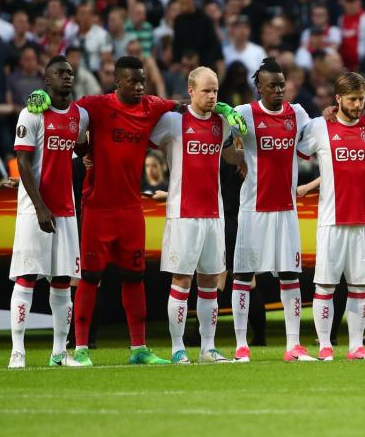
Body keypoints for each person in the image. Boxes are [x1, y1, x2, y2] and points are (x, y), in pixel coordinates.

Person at [25, 55, 247, 366]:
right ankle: (81, 348)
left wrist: (225, 112)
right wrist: (44, 97)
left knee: (134, 277)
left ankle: (139, 348)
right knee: (89, 277)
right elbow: (69, 110)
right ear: (118, 81)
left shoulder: (153, 107)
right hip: (99, 205)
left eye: (143, 80)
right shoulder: (98, 105)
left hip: (132, 208)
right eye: (134, 81)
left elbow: (180, 104)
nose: (140, 86)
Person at [150, 67, 243, 364]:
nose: (213, 96)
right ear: (191, 91)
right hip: (183, 213)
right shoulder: (174, 122)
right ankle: (178, 348)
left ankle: (208, 348)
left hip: (213, 215)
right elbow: (143, 136)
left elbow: (233, 152)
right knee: (181, 280)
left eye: (215, 90)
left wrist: (243, 150)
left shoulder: (222, 122)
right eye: (206, 90)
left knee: (209, 283)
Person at [296, 72, 365, 361]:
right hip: (332, 220)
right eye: (352, 99)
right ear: (337, 99)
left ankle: (356, 346)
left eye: (361, 99)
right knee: (326, 284)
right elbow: (295, 148)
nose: (358, 105)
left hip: (364, 220)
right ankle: (325, 345)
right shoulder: (319, 127)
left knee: (360, 286)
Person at [8, 57, 89, 368]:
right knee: (26, 277)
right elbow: (23, 163)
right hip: (34, 210)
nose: (66, 77)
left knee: (62, 281)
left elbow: (80, 146)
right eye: (59, 73)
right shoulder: (31, 113)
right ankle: (18, 351)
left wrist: (87, 148)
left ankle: (59, 352)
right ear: (46, 80)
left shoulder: (79, 115)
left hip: (66, 210)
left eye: (70, 72)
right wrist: (41, 207)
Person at [232, 58, 314, 362]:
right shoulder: (245, 114)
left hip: (286, 209)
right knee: (243, 275)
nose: (280, 90)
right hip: (253, 208)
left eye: (282, 84)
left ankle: (293, 345)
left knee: (290, 275)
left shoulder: (299, 114)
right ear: (259, 88)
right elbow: (225, 135)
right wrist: (235, 153)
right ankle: (241, 345)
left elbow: (311, 140)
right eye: (273, 86)